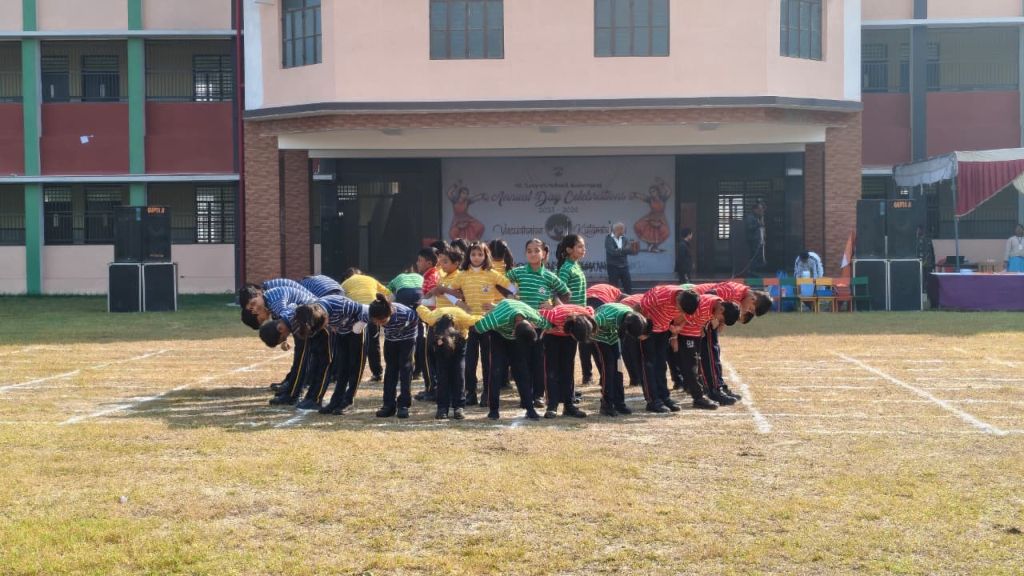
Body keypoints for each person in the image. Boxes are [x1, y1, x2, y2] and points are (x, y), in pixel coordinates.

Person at [506, 238, 571, 408]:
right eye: (529, 251)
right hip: (521, 325)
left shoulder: (549, 276)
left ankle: (538, 396)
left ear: (544, 254)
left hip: (541, 326)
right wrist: (511, 295)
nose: (533, 254)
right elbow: (501, 284)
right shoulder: (517, 273)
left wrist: (554, 305)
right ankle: (525, 396)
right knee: (521, 362)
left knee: (539, 362)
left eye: (537, 250)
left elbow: (566, 293)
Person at [448, 241, 515, 406]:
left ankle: (487, 393)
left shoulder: (492, 273)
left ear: (486, 256)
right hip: (470, 324)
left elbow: (513, 289)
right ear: (468, 256)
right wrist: (460, 304)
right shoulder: (462, 274)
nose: (476, 257)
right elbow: (447, 291)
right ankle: (471, 393)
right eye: (473, 254)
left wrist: (498, 306)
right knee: (470, 362)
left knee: (488, 361)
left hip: (488, 323)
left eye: (480, 254)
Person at [472, 299, 551, 420]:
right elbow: (477, 328)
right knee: (496, 372)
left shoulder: (532, 315)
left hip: (517, 339)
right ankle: (493, 410)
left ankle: (529, 408)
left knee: (522, 372)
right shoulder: (497, 318)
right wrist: (489, 320)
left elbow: (548, 325)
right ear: (514, 331)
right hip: (498, 337)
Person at [291, 294, 368, 415]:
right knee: (342, 367)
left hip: (357, 331)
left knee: (355, 367)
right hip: (341, 332)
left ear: (324, 316)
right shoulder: (313, 312)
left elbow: (366, 311)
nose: (325, 326)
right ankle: (335, 401)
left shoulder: (341, 305)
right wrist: (334, 326)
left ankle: (348, 401)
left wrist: (357, 327)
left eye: (324, 324)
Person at [416, 306, 482, 420]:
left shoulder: (464, 319)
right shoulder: (432, 318)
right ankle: (442, 408)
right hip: (441, 344)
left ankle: (459, 407)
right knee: (442, 376)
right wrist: (440, 341)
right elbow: (421, 309)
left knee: (459, 374)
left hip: (460, 341)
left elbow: (479, 318)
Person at [366, 295, 419, 419]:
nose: (379, 324)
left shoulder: (405, 314)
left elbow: (417, 319)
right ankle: (388, 405)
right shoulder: (373, 312)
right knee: (390, 370)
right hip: (390, 340)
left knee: (405, 370)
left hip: (407, 339)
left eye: (382, 321)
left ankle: (404, 405)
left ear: (389, 314)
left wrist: (403, 330)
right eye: (376, 321)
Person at [538, 304, 596, 418]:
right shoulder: (555, 316)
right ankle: (552, 406)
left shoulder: (587, 316)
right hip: (552, 338)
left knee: (568, 370)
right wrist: (547, 326)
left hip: (568, 339)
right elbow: (537, 313)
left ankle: (569, 406)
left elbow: (590, 308)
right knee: (551, 371)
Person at [590, 303, 646, 417]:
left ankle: (619, 403)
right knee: (609, 369)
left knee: (619, 369)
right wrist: (599, 331)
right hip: (601, 338)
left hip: (614, 338)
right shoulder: (604, 317)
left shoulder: (631, 315)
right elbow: (590, 325)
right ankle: (606, 405)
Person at [340, 268, 391, 383]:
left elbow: (340, 298)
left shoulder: (345, 283)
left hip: (357, 312)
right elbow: (387, 292)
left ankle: (354, 374)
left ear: (347, 277)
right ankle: (377, 373)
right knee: (373, 343)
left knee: (356, 343)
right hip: (373, 311)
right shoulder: (370, 279)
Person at [604, 223, 633, 293]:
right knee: (613, 287)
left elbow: (630, 250)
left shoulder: (624, 238)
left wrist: (619, 250)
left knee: (628, 286)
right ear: (618, 229)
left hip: (624, 266)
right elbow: (613, 252)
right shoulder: (609, 238)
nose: (624, 230)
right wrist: (623, 250)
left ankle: (629, 299)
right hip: (613, 266)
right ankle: (613, 299)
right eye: (622, 229)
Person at [745, 201, 766, 274]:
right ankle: (752, 272)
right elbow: (749, 228)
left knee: (758, 257)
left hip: (758, 240)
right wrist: (759, 224)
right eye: (759, 209)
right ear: (755, 209)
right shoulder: (750, 217)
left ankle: (755, 272)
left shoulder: (757, 217)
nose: (761, 211)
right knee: (754, 257)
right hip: (753, 241)